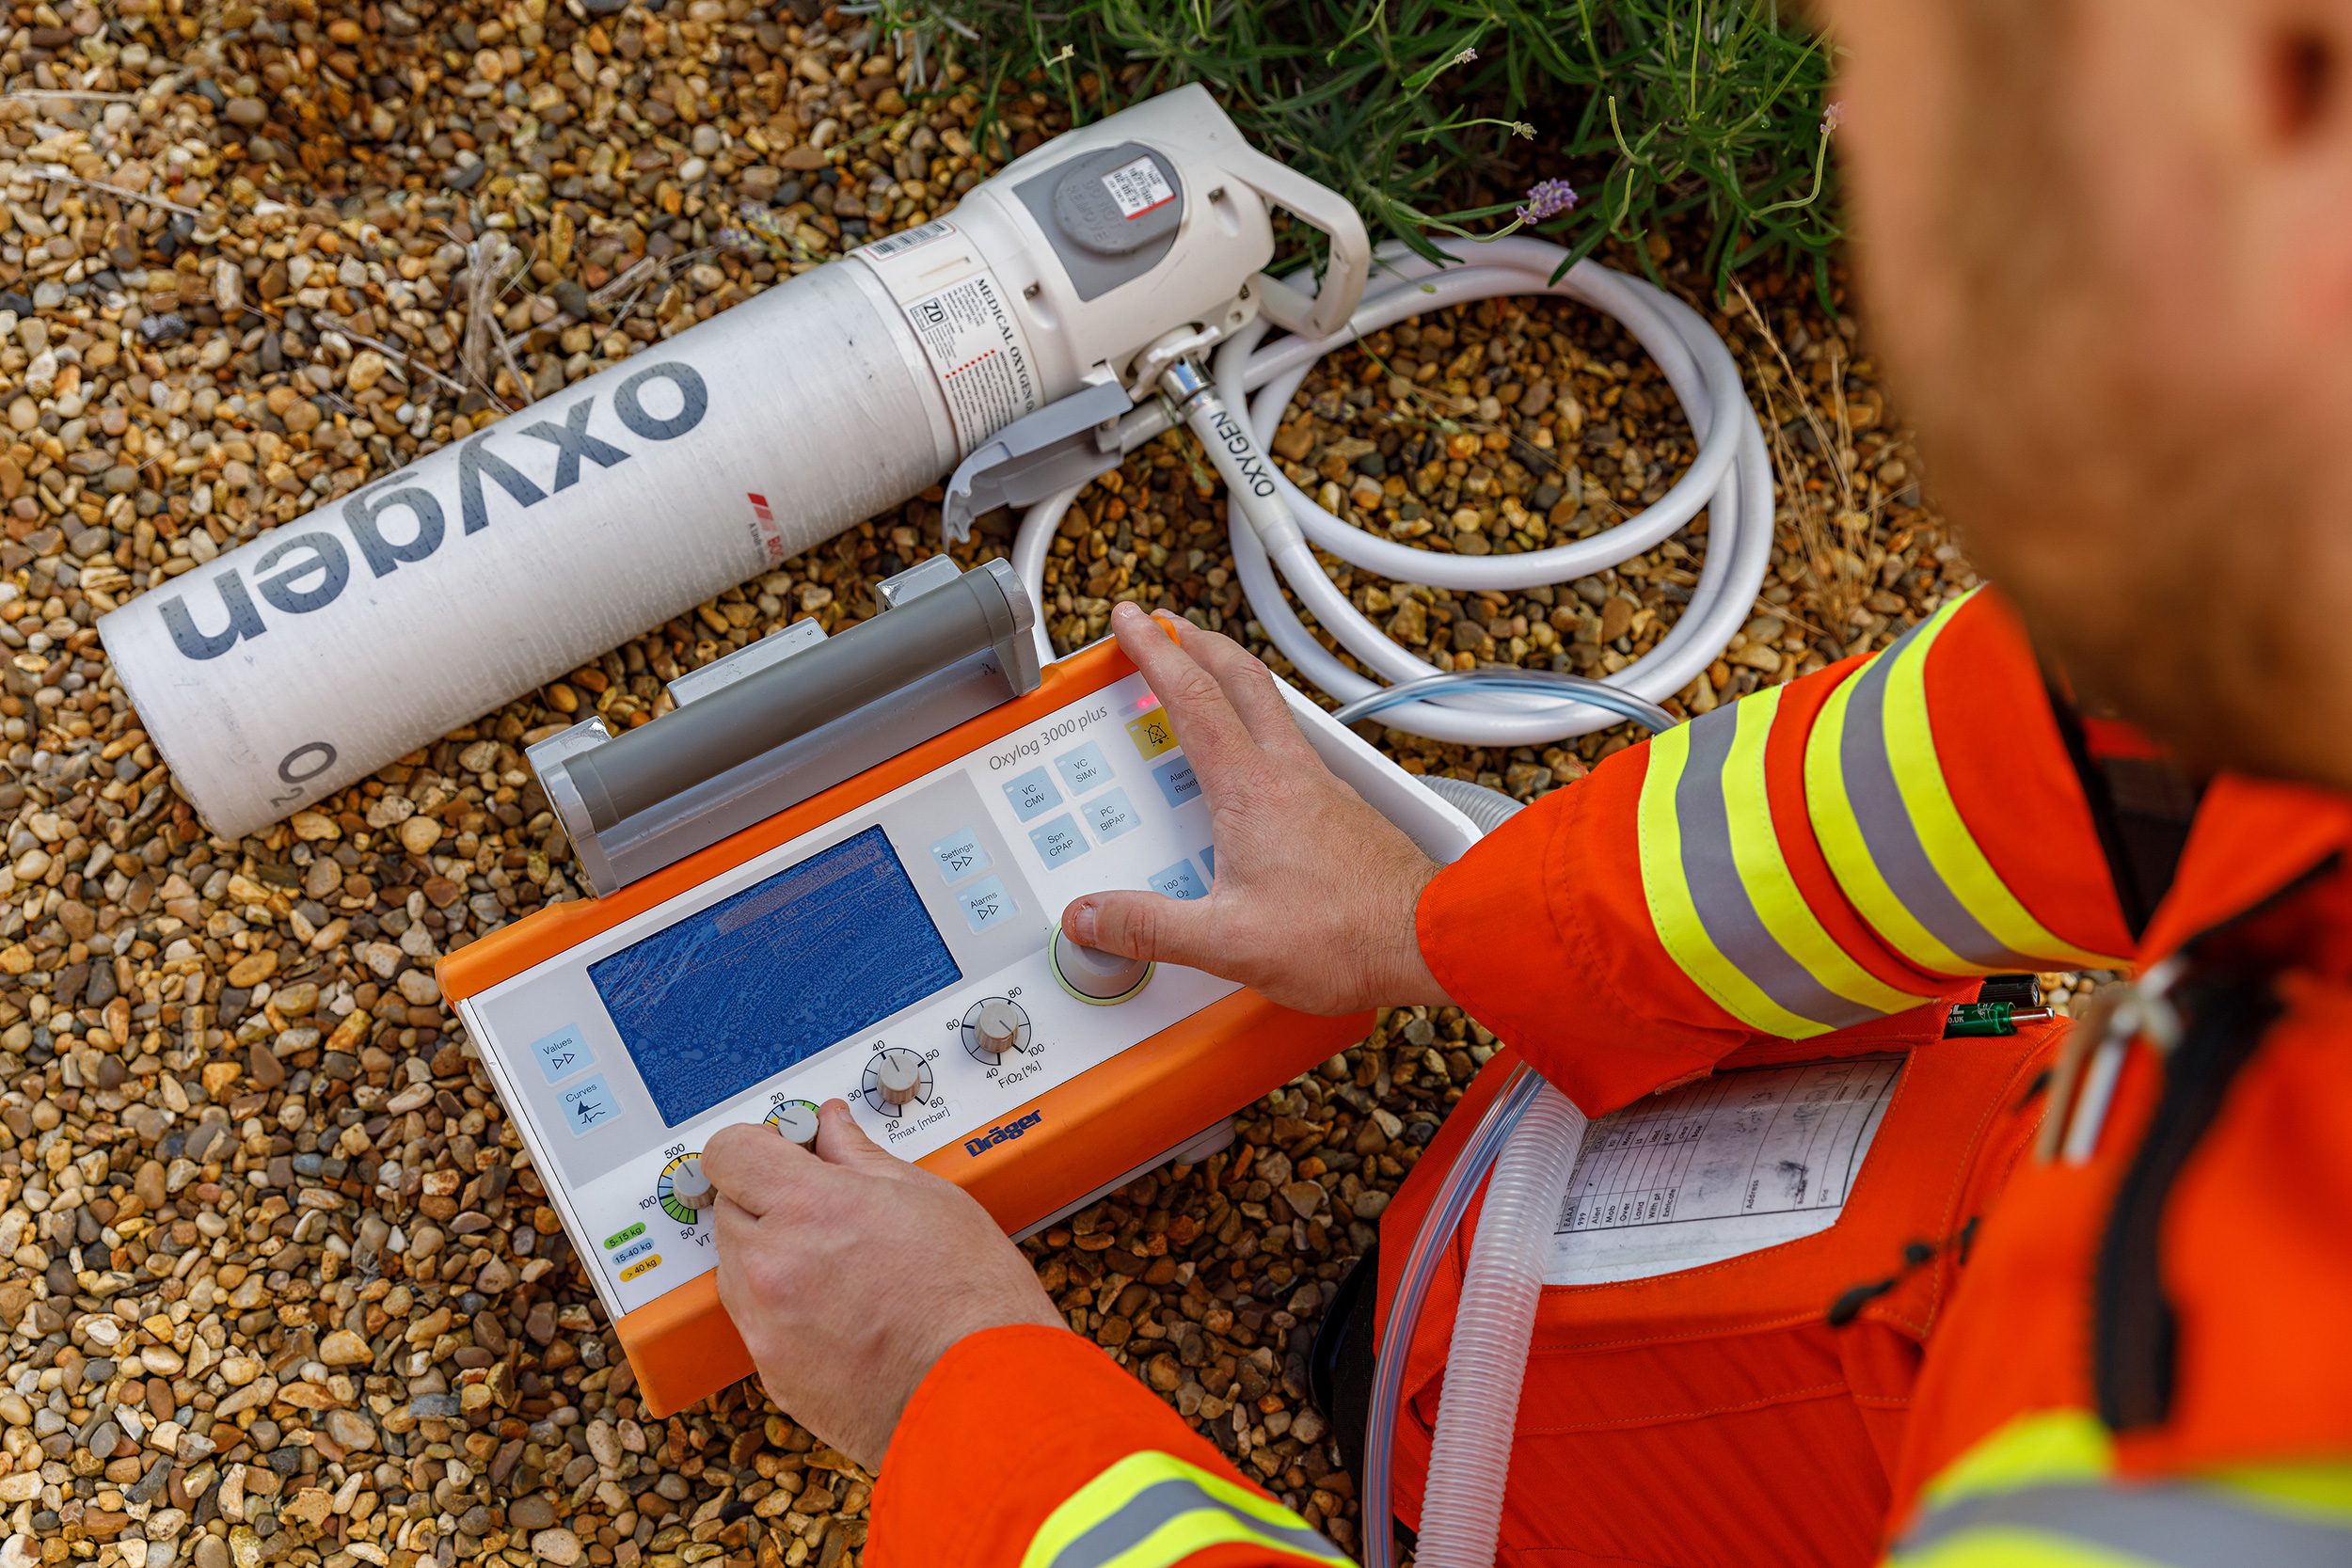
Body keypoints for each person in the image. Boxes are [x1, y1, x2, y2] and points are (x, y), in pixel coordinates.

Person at [700, 2, 2352, 1563]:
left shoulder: (2210, 1486)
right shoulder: (2280, 567)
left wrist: (959, 1393)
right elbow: (2013, 770)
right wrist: (1450, 919)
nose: (1852, 146)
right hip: (1977, 1231)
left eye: (1910, 96)